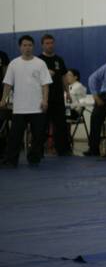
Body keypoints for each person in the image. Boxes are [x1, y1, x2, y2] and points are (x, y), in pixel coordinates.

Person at [1, 35, 52, 168]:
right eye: (24, 45)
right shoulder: (14, 63)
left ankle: (34, 158)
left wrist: (45, 100)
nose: (27, 48)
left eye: (30, 45)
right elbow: (7, 84)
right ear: (20, 47)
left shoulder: (40, 63)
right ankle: (11, 160)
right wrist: (3, 99)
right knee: (15, 136)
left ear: (33, 47)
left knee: (38, 136)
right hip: (19, 107)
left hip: (37, 106)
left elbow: (45, 84)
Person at [39, 34, 70, 155]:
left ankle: (63, 150)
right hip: (43, 98)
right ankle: (38, 150)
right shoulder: (38, 61)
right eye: (47, 43)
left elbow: (64, 77)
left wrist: (67, 92)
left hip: (58, 97)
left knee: (61, 125)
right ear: (42, 45)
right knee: (42, 125)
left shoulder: (59, 60)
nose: (50, 45)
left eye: (51, 43)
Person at [84, 62, 106, 157]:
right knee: (95, 117)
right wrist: (95, 95)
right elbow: (92, 78)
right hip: (105, 93)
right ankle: (93, 148)